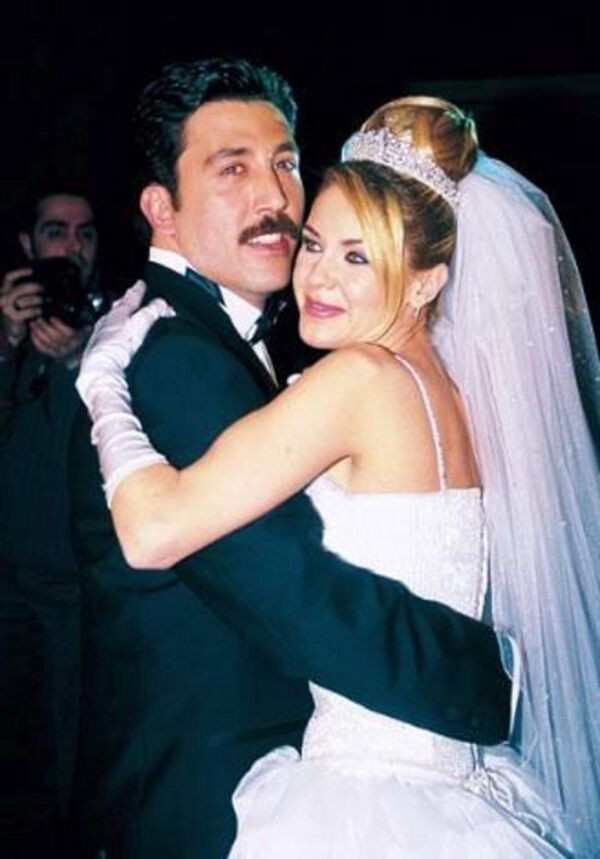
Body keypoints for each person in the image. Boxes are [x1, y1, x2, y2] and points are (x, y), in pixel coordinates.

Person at [78, 96, 600, 856]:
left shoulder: (356, 380)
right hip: (457, 783)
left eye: (358, 257)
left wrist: (101, 386)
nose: (317, 277)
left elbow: (151, 530)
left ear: (424, 283)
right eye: (316, 244)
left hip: (362, 795)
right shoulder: (461, 396)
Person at [0, 187, 100, 853]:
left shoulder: (118, 327)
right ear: (28, 245)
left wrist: (78, 361)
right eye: (56, 232)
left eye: (85, 233)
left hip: (72, 585)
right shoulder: (5, 326)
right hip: (4, 578)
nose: (72, 247)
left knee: (72, 750)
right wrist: (6, 343)